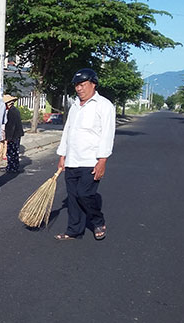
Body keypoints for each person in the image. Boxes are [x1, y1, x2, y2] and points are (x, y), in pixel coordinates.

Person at [54, 68, 115, 241]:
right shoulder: (74, 106)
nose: (79, 89)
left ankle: (97, 220)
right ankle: (74, 231)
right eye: (77, 86)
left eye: (82, 85)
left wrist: (102, 161)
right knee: (73, 198)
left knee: (84, 194)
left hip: (91, 160)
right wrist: (62, 155)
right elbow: (68, 131)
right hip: (72, 159)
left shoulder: (104, 105)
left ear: (93, 84)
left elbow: (107, 134)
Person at [3, 94, 24, 173]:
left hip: (13, 135)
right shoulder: (15, 110)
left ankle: (12, 167)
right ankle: (14, 166)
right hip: (17, 134)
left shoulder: (11, 112)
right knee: (15, 151)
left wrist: (8, 138)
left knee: (11, 152)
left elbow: (11, 126)